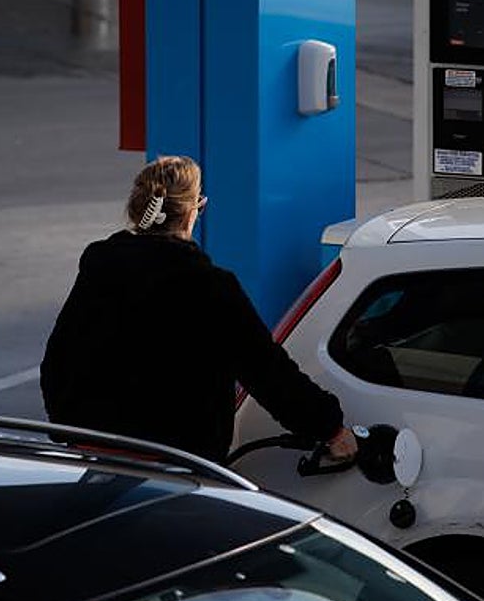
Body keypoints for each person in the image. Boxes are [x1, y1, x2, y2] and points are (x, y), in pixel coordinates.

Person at [41, 155, 357, 464]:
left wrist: (73, 427)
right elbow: (269, 372)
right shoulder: (210, 286)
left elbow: (57, 361)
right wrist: (330, 428)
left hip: (92, 454)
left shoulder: (100, 269)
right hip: (176, 462)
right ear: (194, 211)